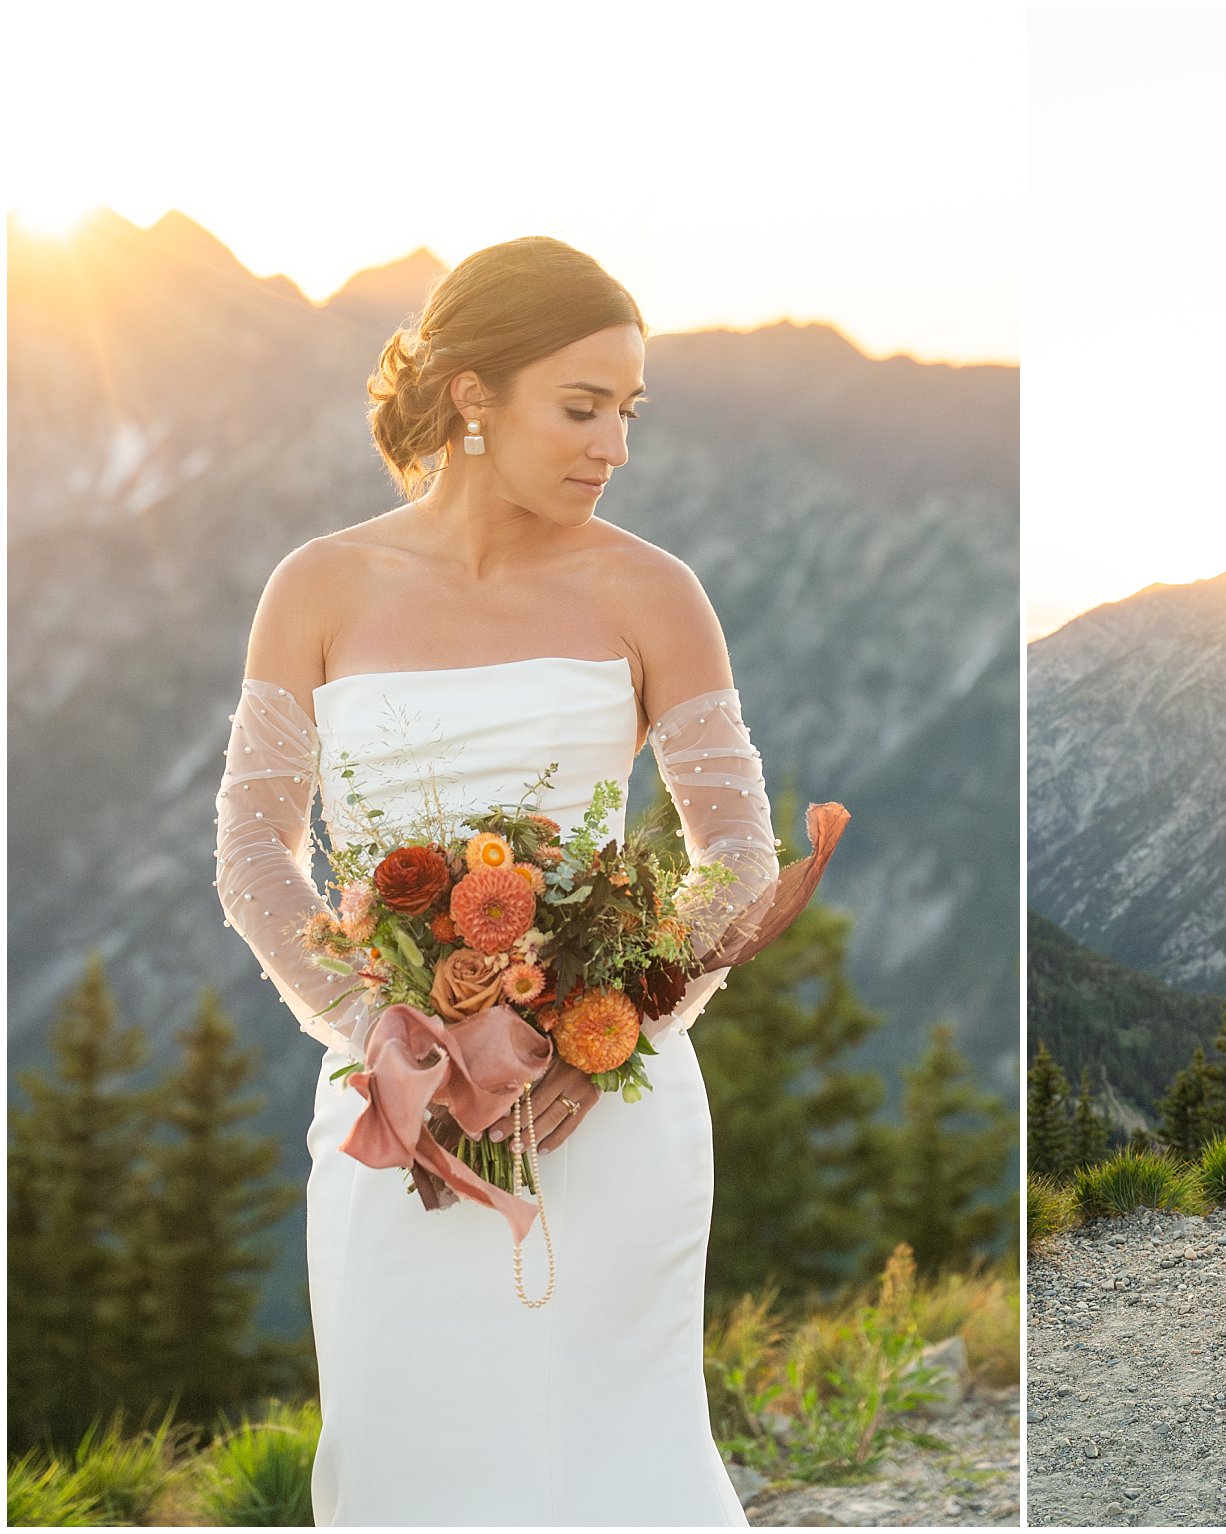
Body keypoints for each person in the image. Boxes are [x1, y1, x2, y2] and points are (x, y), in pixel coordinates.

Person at [214, 237, 773, 1525]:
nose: (612, 446)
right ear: (473, 395)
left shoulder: (653, 593)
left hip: (606, 1107)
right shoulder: (319, 587)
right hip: (389, 1105)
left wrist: (608, 1030)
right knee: (407, 1443)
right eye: (581, 408)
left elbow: (735, 851)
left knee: (606, 1445)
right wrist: (385, 1036)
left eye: (627, 413)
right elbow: (254, 848)